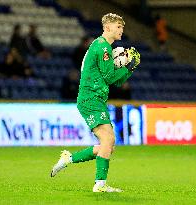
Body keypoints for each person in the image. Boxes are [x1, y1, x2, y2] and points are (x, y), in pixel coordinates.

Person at [50, 13, 140, 192]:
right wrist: (127, 67)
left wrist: (127, 70)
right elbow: (109, 77)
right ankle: (100, 184)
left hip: (95, 99)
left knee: (107, 147)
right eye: (118, 27)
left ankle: (69, 159)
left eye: (122, 27)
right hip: (90, 98)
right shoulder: (103, 47)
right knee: (108, 139)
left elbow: (117, 82)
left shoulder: (102, 46)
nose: (121, 30)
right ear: (107, 28)